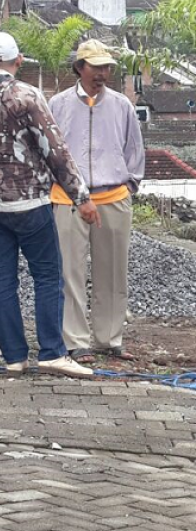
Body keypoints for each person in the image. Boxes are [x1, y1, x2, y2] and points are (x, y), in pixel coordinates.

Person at [0, 32, 101, 378]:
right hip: (28, 200)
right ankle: (52, 352)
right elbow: (54, 149)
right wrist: (81, 197)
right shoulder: (26, 96)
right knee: (47, 276)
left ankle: (13, 356)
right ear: (18, 61)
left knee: (2, 282)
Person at [49, 39, 145, 363]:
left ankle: (108, 338)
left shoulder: (122, 106)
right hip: (68, 197)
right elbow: (50, 150)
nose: (103, 73)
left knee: (114, 270)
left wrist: (130, 184)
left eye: (107, 67)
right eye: (96, 66)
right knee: (70, 271)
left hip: (113, 194)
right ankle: (75, 340)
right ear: (80, 68)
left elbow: (135, 149)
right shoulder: (58, 104)